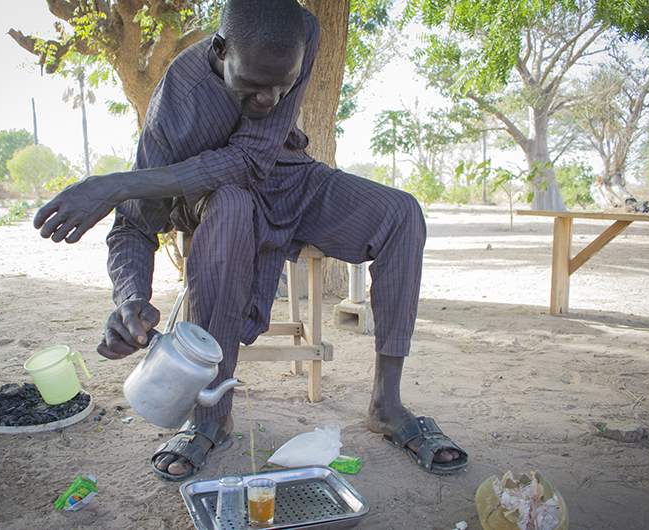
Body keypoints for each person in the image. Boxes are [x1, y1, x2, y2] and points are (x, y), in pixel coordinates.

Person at [33, 0, 467, 481]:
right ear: (219, 50)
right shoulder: (177, 103)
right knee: (233, 205)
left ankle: (387, 403)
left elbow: (253, 157)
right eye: (254, 86)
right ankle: (211, 419)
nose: (271, 101)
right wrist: (131, 297)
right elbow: (135, 225)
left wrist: (116, 183)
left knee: (401, 213)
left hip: (292, 179)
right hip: (218, 202)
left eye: (283, 86)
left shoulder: (300, 31)